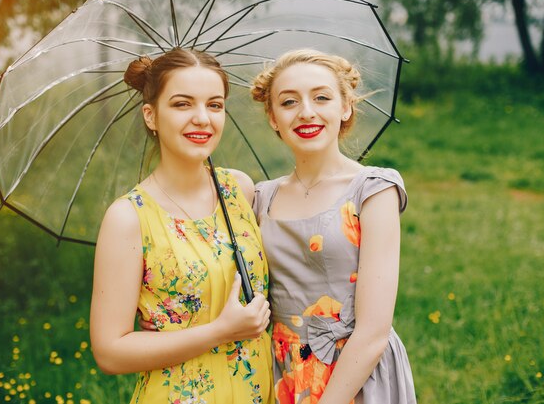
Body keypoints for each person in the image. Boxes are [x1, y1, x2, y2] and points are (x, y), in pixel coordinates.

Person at [90, 48, 273, 404]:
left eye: (215, 105)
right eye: (182, 104)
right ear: (151, 115)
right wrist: (220, 331)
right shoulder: (129, 217)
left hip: (257, 391)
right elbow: (110, 352)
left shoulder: (239, 189)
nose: (202, 118)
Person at [250, 49, 416, 404]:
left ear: (345, 107)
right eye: (289, 101)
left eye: (322, 97)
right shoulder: (260, 198)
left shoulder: (373, 190)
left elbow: (373, 330)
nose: (306, 112)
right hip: (282, 374)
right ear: (273, 117)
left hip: (355, 376)